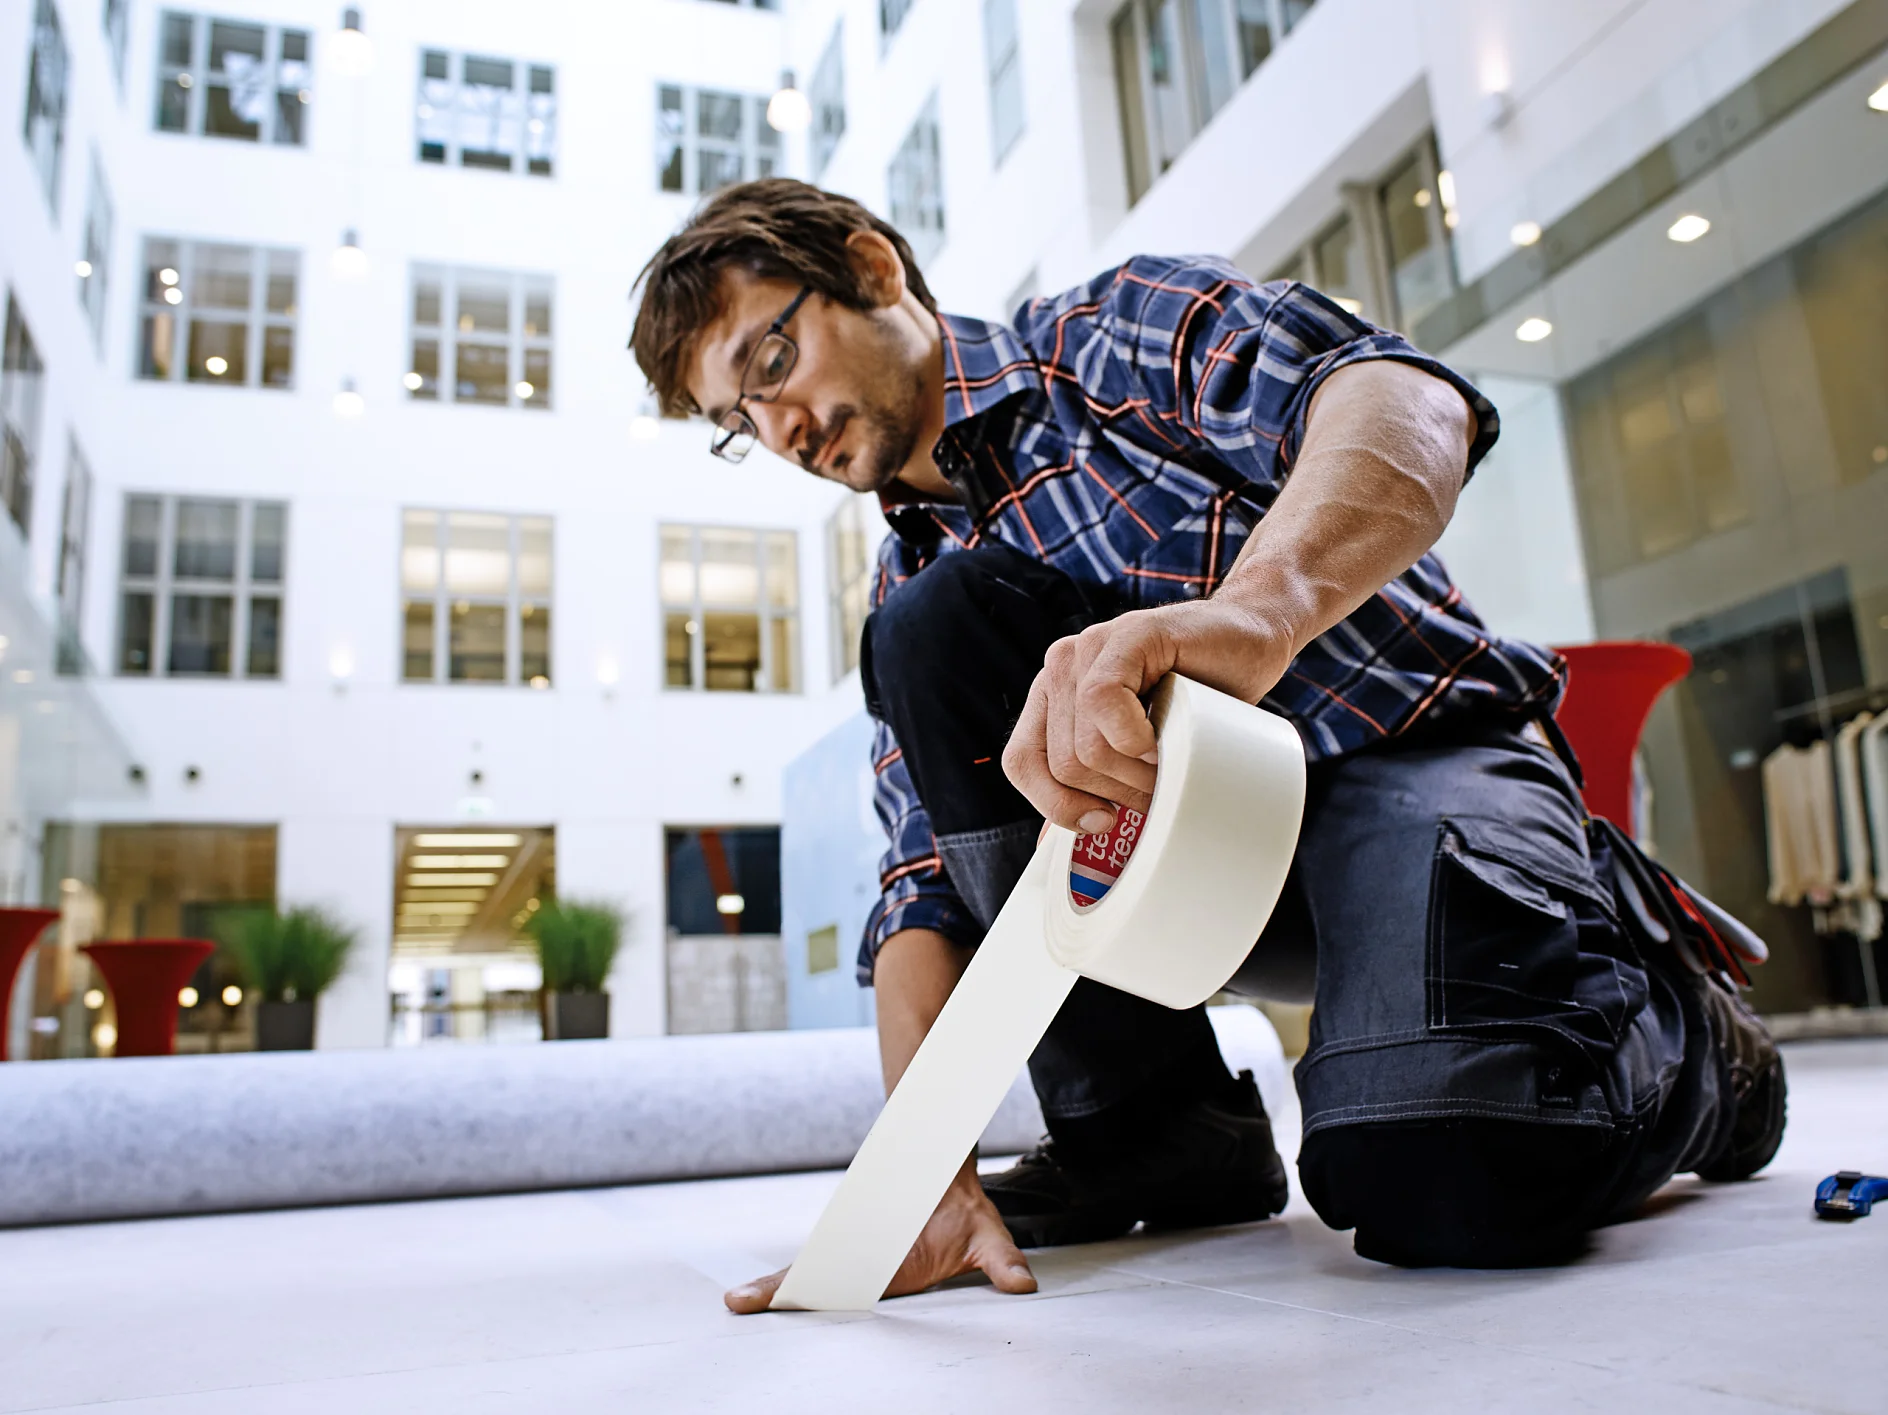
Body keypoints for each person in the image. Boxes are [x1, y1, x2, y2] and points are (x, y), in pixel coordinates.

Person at [628, 179, 1786, 1314]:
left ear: (870, 268)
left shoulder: (1107, 335)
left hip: (1409, 753)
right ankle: (1156, 1134)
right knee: (927, 627)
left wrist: (1252, 614)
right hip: (1225, 889)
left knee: (1441, 1168)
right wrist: (915, 1180)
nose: (776, 428)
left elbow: (1404, 400)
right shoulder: (908, 587)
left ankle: (1696, 1046)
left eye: (769, 365)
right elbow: (925, 890)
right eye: (737, 424)